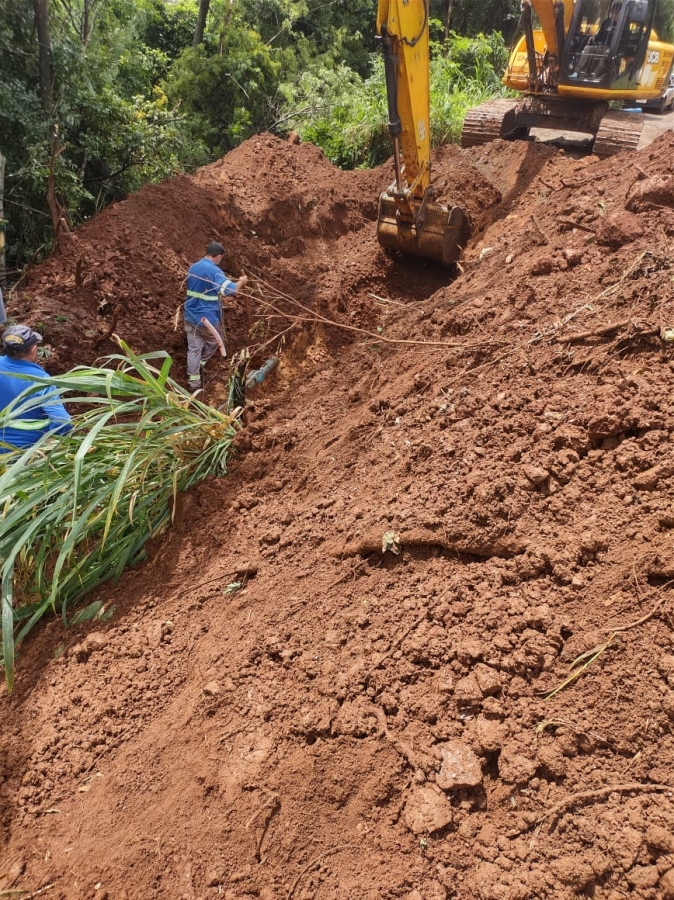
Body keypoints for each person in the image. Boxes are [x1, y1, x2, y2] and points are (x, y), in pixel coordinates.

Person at [184, 241, 248, 391]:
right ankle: (201, 364)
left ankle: (194, 383)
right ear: (218, 257)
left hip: (190, 316)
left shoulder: (193, 267)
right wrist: (241, 282)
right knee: (214, 342)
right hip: (207, 320)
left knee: (194, 349)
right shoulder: (214, 271)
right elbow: (230, 290)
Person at [0, 325, 72, 454]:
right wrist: (49, 439)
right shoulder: (40, 381)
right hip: (24, 455)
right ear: (33, 349)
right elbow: (63, 422)